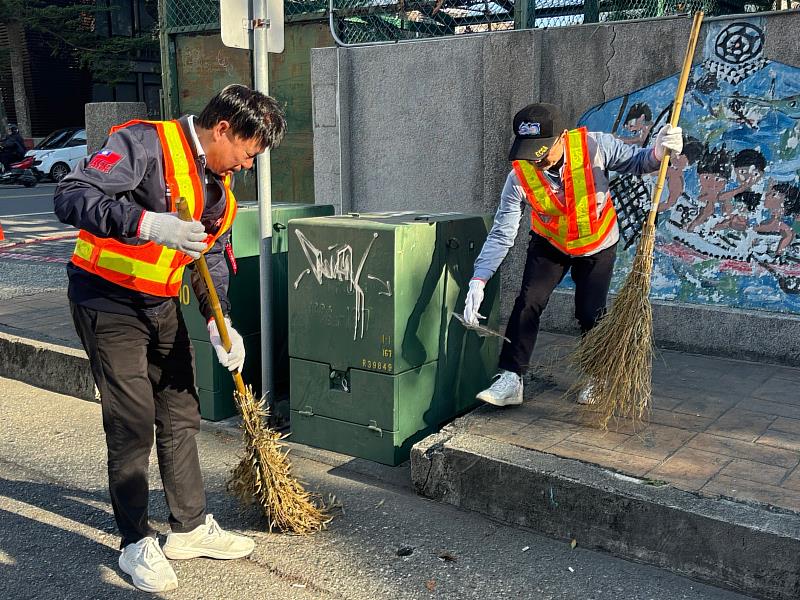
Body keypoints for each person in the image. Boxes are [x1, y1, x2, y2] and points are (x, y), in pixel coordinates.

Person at [54, 84, 286, 593]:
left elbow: (215, 260)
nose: (248, 165)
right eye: (248, 153)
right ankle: (135, 542)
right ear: (223, 128)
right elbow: (71, 196)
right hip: (106, 300)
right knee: (132, 421)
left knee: (182, 411)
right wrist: (146, 222)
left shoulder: (220, 190)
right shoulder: (143, 143)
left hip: (160, 305)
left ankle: (189, 526)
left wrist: (218, 321)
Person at [462, 103, 682, 407]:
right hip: (550, 243)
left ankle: (597, 375)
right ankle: (512, 377)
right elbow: (503, 232)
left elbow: (639, 162)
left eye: (542, 149)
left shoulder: (596, 146)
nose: (536, 159)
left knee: (590, 312)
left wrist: (659, 152)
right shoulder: (519, 177)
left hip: (597, 242)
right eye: (529, 150)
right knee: (528, 302)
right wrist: (479, 279)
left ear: (562, 137)